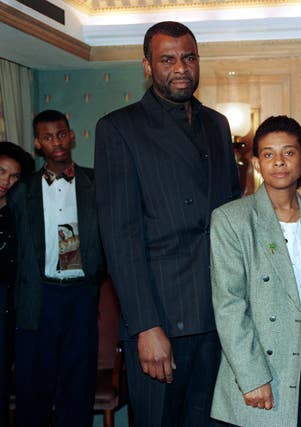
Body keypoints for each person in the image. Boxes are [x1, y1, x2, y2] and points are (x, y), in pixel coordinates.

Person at [95, 21, 241, 427]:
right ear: (147, 66)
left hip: (218, 316)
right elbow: (120, 237)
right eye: (168, 59)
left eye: (189, 57)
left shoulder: (217, 124)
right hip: (161, 318)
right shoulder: (119, 128)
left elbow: (231, 214)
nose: (181, 67)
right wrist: (145, 326)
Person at [209, 115, 301, 426]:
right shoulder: (232, 220)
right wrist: (251, 376)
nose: (279, 162)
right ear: (257, 164)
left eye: (288, 153)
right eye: (268, 154)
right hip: (260, 366)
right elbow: (229, 305)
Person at [9, 110, 105, 427]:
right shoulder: (20, 192)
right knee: (34, 389)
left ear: (72, 136)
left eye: (61, 134)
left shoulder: (98, 182)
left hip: (82, 296)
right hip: (39, 297)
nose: (57, 142)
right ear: (38, 144)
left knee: (78, 387)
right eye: (48, 137)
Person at [0, 141, 34, 424]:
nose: (5, 182)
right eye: (0, 172)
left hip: (7, 308)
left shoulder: (18, 215)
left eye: (13, 176)